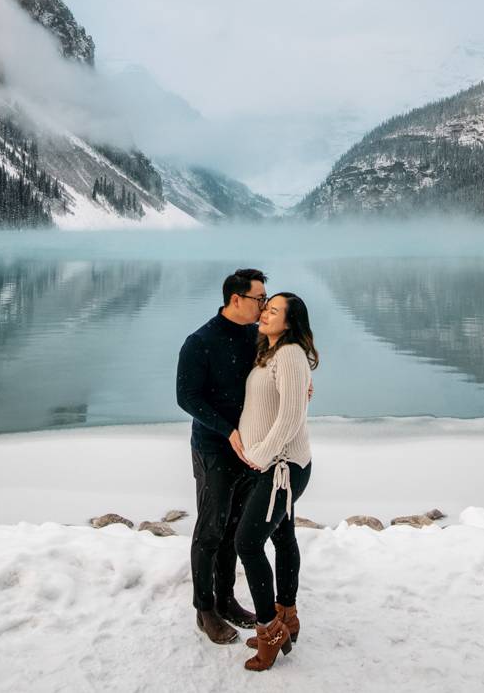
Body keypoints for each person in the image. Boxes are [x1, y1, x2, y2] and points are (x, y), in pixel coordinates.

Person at [176, 267, 267, 644]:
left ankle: (227, 598)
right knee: (211, 529)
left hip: (248, 448)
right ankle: (205, 608)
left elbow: (273, 371)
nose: (264, 305)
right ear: (236, 299)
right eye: (259, 299)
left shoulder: (255, 336)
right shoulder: (200, 342)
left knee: (234, 528)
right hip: (214, 448)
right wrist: (227, 430)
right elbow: (187, 397)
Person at [233, 292, 318, 672]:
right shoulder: (271, 352)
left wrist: (260, 455)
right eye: (266, 308)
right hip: (274, 465)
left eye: (274, 310)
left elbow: (289, 418)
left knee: (247, 544)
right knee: (283, 538)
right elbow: (286, 403)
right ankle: (288, 616)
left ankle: (270, 630)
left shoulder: (290, 354)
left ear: (290, 322)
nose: (265, 313)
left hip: (281, 467)